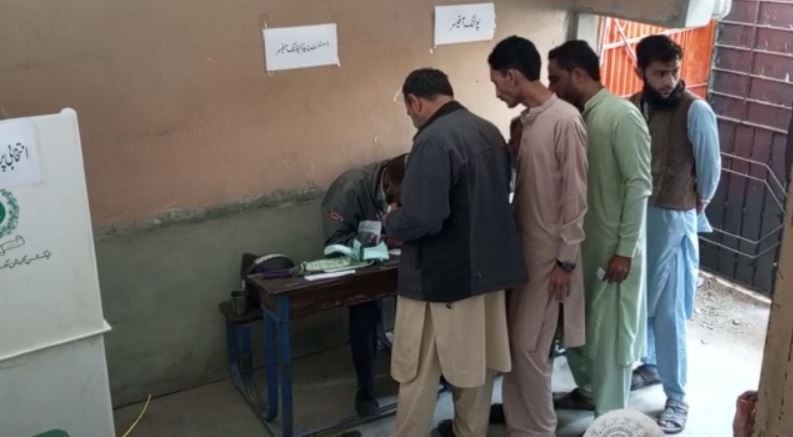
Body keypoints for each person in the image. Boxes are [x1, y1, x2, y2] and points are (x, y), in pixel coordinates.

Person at [384, 68, 527, 437]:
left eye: (409, 109)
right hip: (487, 273)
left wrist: (393, 220)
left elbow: (425, 218)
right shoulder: (488, 130)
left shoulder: (433, 140)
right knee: (476, 374)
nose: (412, 117)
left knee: (416, 376)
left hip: (440, 280)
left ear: (415, 101)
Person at [486, 35, 589, 437]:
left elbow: (575, 198)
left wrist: (566, 261)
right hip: (524, 255)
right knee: (517, 349)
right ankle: (520, 425)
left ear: (512, 76)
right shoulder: (530, 121)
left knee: (529, 350)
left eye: (497, 82)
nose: (496, 91)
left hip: (550, 260)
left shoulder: (564, 120)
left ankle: (538, 429)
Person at [546, 40, 652, 417]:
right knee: (583, 342)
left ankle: (613, 424)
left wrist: (625, 249)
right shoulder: (581, 117)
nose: (552, 88)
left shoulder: (621, 115)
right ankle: (596, 410)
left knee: (611, 350)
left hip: (614, 256)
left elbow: (639, 184)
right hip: (585, 252)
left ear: (578, 74)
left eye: (556, 79)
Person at [628, 34, 722, 434]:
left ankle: (677, 397)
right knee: (639, 301)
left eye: (673, 72)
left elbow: (711, 170)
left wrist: (694, 203)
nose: (667, 80)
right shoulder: (632, 108)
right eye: (659, 73)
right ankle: (648, 365)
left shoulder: (695, 111)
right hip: (636, 222)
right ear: (642, 72)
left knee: (669, 313)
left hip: (673, 222)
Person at [320, 153, 407, 416]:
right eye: (402, 198)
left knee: (423, 303)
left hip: (400, 263)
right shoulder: (349, 190)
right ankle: (366, 389)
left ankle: (432, 374)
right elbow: (334, 245)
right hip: (361, 266)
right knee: (364, 310)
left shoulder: (411, 181)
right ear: (389, 186)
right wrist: (383, 243)